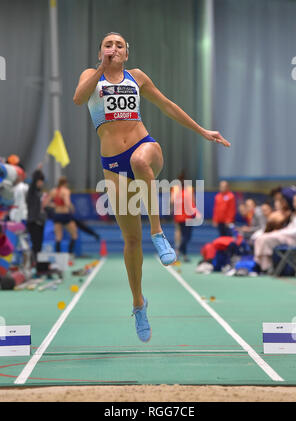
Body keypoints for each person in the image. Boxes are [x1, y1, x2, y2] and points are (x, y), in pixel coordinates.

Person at [73, 32, 230, 342]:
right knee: (131, 240)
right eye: (108, 44)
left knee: (141, 162)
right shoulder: (91, 76)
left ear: (126, 53)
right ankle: (138, 303)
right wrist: (101, 70)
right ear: (101, 51)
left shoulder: (138, 77)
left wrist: (201, 131)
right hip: (113, 164)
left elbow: (168, 106)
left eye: (119, 45)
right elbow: (79, 99)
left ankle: (158, 232)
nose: (113, 48)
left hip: (145, 146)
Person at [254, 194, 296, 273]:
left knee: (265, 239)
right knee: (261, 237)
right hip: (286, 236)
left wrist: (279, 232)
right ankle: (264, 266)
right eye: (294, 201)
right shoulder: (295, 214)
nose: (295, 203)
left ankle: (266, 267)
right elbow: (289, 228)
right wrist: (279, 232)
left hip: (294, 241)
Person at [171, 172, 201, 262]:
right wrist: (197, 213)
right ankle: (178, 251)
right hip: (183, 216)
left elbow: (172, 201)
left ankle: (183, 254)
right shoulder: (185, 190)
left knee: (182, 234)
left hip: (181, 216)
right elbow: (192, 203)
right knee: (185, 236)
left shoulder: (183, 189)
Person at [44, 176, 78, 254]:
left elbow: (46, 203)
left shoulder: (53, 191)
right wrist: (72, 208)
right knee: (74, 234)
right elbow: (67, 203)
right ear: (65, 183)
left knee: (58, 237)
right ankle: (70, 254)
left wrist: (55, 205)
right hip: (65, 215)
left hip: (57, 215)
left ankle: (58, 256)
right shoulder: (66, 191)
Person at [26, 168, 46, 266]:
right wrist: (37, 171)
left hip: (40, 222)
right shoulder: (32, 192)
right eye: (39, 181)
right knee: (35, 245)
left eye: (42, 181)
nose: (41, 183)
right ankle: (34, 264)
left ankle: (38, 266)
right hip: (33, 222)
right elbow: (33, 183)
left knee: (39, 245)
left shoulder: (39, 192)